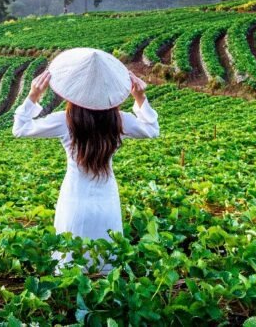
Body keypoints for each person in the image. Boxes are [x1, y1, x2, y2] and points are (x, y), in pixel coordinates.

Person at [12, 47, 159, 272]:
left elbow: (20, 128)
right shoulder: (118, 121)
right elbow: (151, 129)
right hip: (107, 200)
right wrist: (139, 97)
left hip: (74, 200)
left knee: (70, 265)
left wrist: (33, 95)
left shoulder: (65, 121)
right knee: (105, 264)